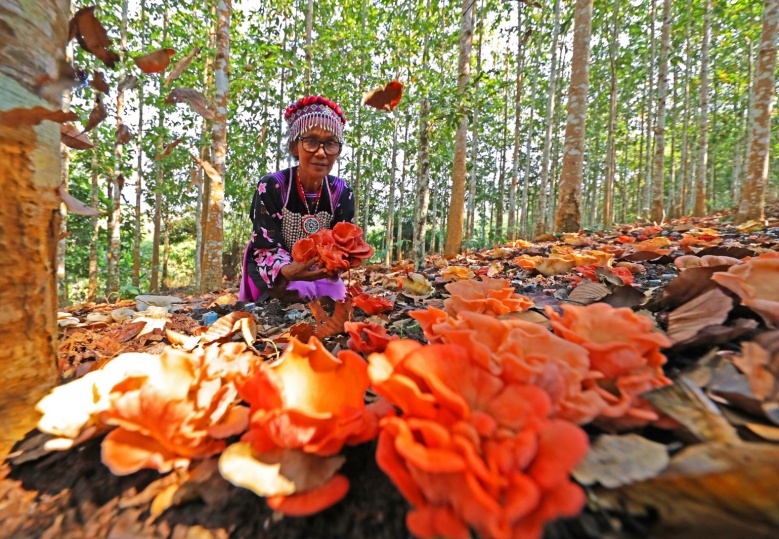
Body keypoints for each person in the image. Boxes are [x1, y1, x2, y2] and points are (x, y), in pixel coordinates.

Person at [239, 95, 356, 303]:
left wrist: (334, 262)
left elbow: (344, 244)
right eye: (311, 141)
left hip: (319, 270)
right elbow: (265, 242)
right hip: (275, 267)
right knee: (298, 292)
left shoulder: (342, 191)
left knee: (338, 297)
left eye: (330, 144)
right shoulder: (272, 186)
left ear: (338, 151)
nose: (321, 153)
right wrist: (287, 269)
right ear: (295, 147)